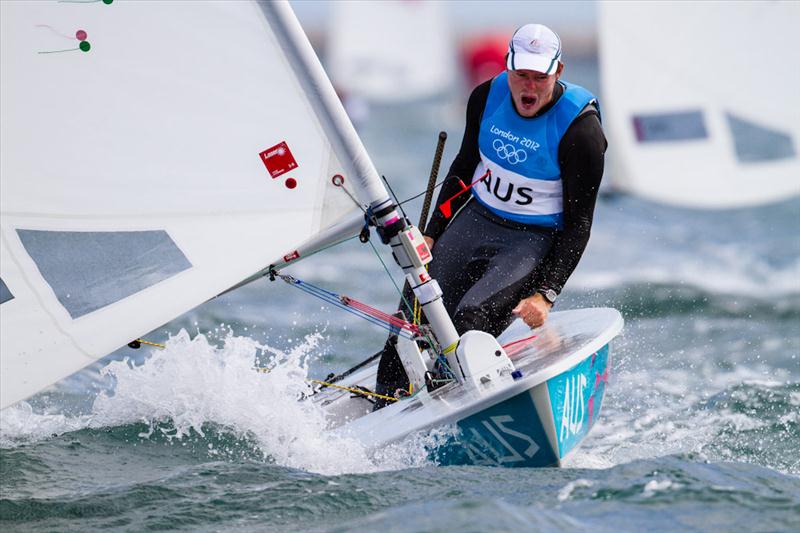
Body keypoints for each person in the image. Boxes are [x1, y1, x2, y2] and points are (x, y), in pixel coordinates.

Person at [374, 23, 607, 405]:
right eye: (521, 75)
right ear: (507, 67)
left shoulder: (582, 132)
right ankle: (383, 402)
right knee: (413, 309)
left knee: (470, 320)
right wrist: (432, 233)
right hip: (477, 219)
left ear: (558, 72)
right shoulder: (486, 97)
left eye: (539, 77)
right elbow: (464, 167)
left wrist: (546, 294)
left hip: (531, 239)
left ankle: (459, 403)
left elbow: (579, 224)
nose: (528, 87)